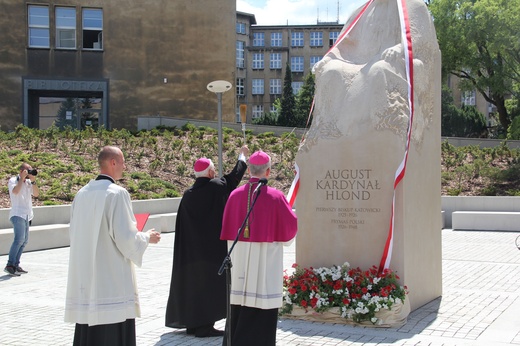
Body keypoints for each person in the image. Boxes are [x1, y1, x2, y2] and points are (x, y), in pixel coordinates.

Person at [65, 146, 161, 346]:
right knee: (111, 329)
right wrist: (146, 237)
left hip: (86, 278)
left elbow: (73, 232)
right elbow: (125, 238)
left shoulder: (81, 194)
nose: (125, 167)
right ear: (113, 162)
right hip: (110, 281)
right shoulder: (117, 194)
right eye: (123, 162)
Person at [165, 145, 249, 337]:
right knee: (209, 286)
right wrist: (242, 156)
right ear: (211, 172)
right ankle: (204, 326)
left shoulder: (188, 194)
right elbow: (233, 178)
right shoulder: (215, 187)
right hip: (210, 252)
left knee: (192, 285)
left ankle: (193, 323)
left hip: (190, 253)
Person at [220, 150, 298, 346]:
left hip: (240, 264)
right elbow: (290, 229)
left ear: (249, 171)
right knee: (262, 303)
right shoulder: (276, 197)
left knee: (240, 303)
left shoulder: (234, 195)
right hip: (265, 264)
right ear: (268, 171)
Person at [4, 163, 39, 277]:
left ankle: (16, 264)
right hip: (17, 214)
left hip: (27, 215)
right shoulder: (13, 180)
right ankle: (10, 265)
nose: (29, 172)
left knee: (24, 241)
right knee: (18, 240)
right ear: (21, 170)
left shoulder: (29, 183)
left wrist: (33, 181)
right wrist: (21, 179)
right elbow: (15, 191)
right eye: (27, 170)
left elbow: (37, 194)